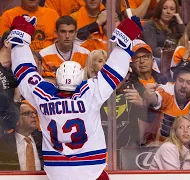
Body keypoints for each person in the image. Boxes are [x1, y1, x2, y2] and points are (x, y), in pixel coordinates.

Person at [7, 13, 142, 180]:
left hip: (57, 172)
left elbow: (24, 72)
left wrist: (20, 40)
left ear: (57, 78)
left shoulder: (43, 97)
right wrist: (125, 40)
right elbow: (113, 72)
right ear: (80, 78)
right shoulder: (90, 94)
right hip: (91, 169)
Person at [144, 61, 190, 141]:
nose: (183, 86)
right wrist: (148, 94)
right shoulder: (167, 90)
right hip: (163, 144)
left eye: (189, 83)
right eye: (181, 80)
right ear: (175, 80)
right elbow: (154, 99)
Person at [39, 16, 90, 80]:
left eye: (71, 32)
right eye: (63, 31)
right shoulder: (44, 55)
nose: (67, 36)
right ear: (56, 33)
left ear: (76, 33)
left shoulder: (85, 54)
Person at [0, 100, 43, 171]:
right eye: (27, 113)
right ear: (16, 119)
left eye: (34, 112)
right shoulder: (3, 143)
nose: (34, 116)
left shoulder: (44, 140)